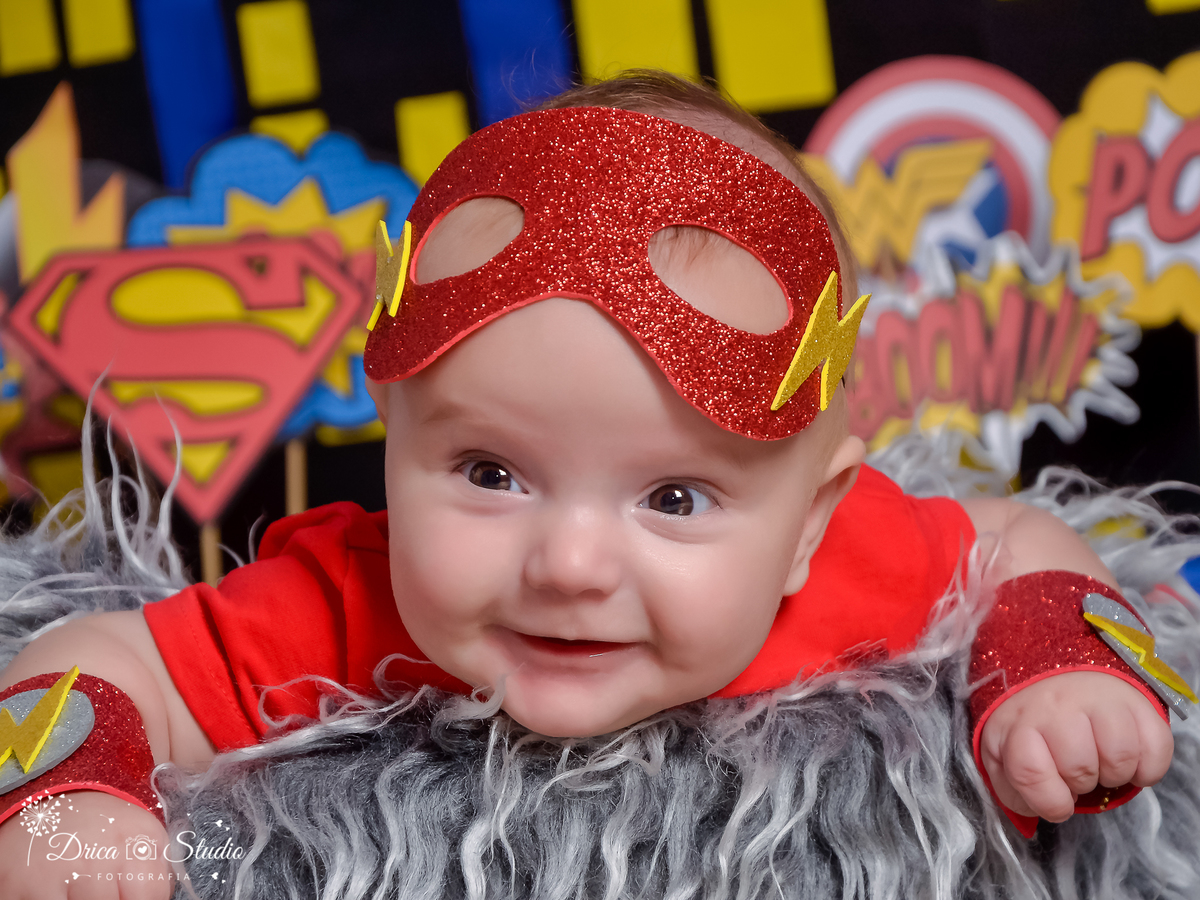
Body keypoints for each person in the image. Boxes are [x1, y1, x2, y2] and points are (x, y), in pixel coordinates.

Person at [0, 72, 1182, 898]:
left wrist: (1053, 661)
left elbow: (1024, 535)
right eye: (489, 471)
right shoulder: (342, 608)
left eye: (673, 498)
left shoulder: (856, 563)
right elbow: (94, 658)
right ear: (392, 443)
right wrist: (70, 803)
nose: (567, 565)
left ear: (808, 527)